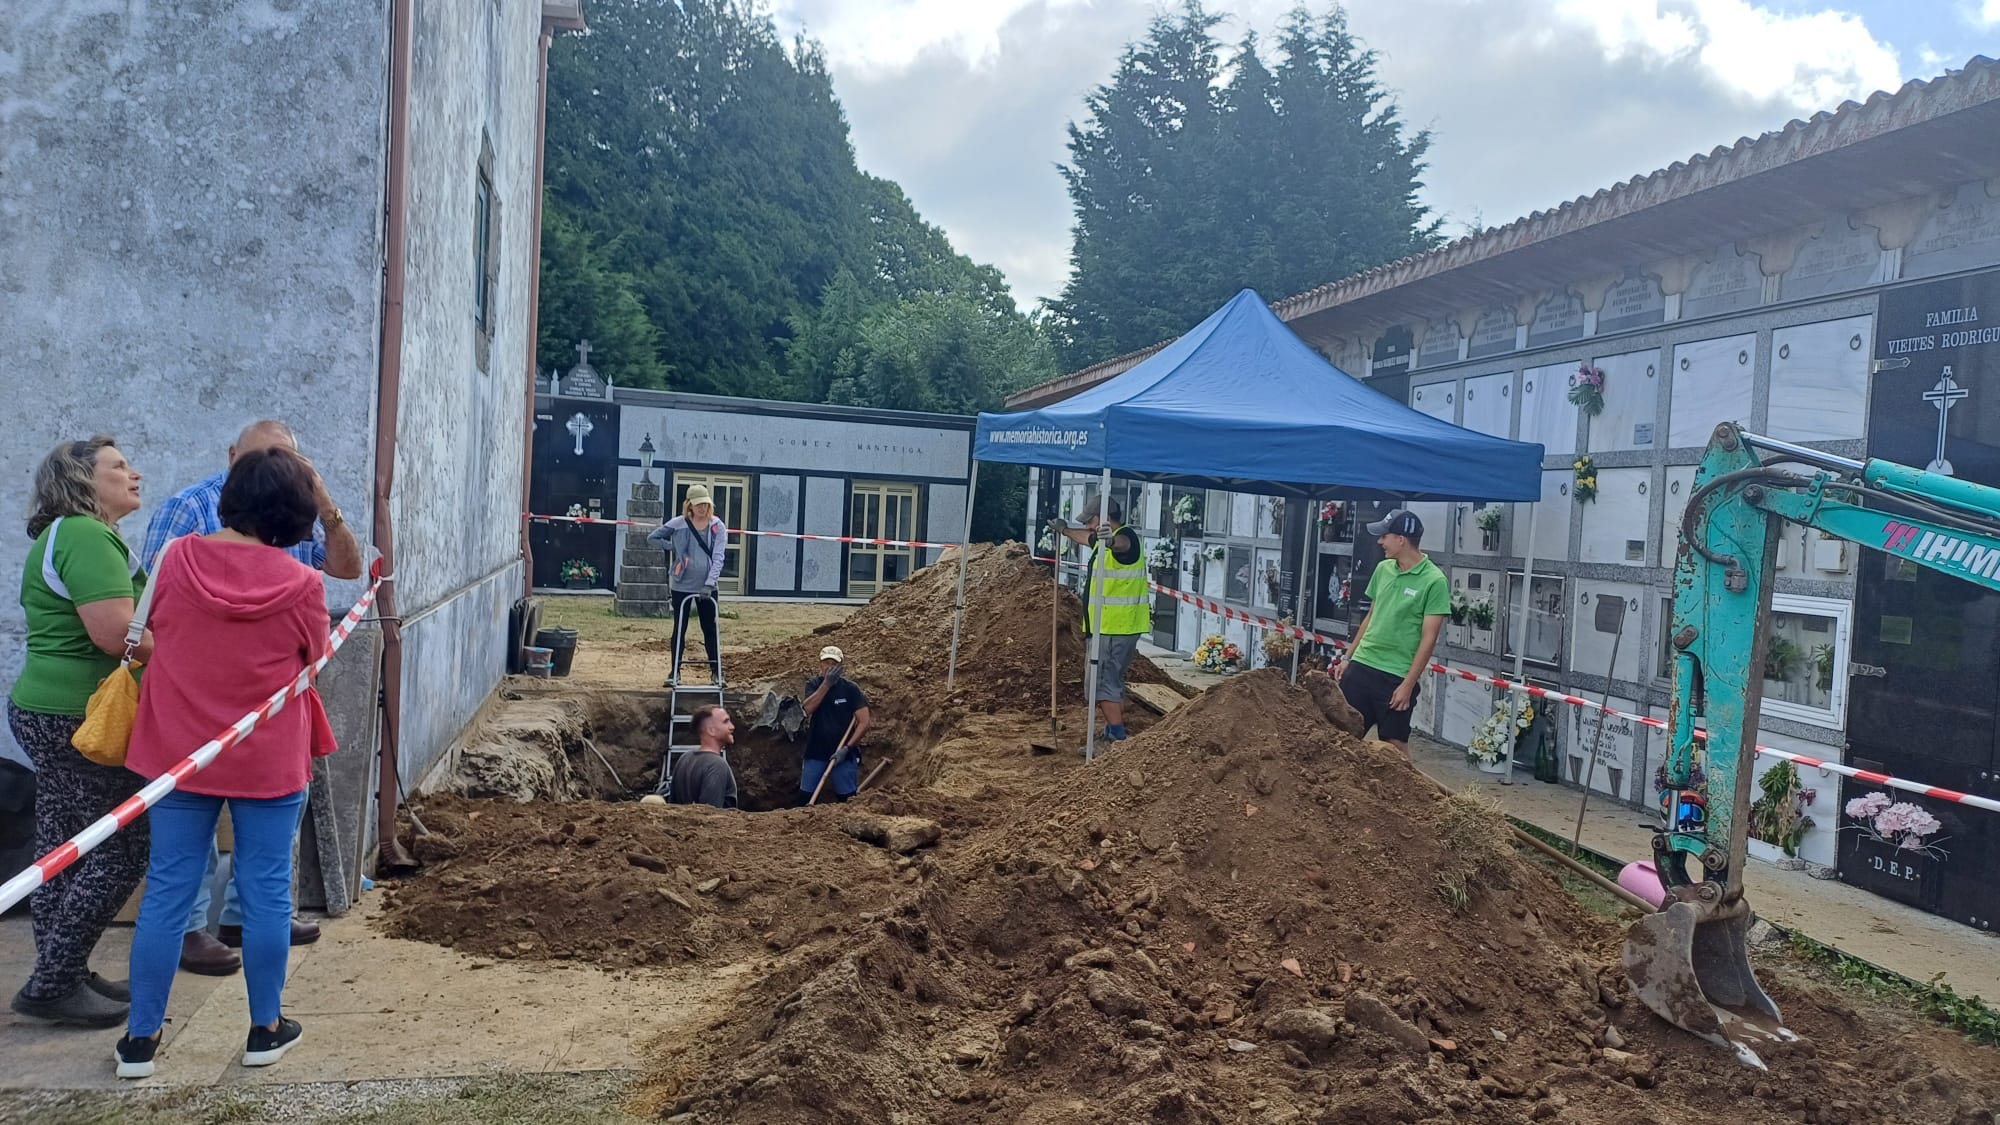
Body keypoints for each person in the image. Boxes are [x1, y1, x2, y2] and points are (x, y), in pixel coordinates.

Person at [116, 447, 336, 1079]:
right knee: (267, 892)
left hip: (181, 752)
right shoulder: (302, 583)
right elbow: (314, 658)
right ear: (296, 512)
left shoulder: (176, 558)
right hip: (266, 755)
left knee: (167, 890)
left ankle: (141, 1041)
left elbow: (154, 627)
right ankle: (265, 1030)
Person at [141, 420, 360, 977]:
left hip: (219, 733)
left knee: (192, 882)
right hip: (225, 730)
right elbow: (155, 606)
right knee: (205, 878)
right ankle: (251, 1007)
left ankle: (142, 1038)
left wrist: (326, 506)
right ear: (233, 456)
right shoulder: (188, 512)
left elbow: (347, 567)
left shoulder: (283, 524)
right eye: (265, 457)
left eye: (287, 459)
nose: (275, 469)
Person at [8, 437, 152, 1028]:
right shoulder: (87, 536)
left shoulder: (72, 536)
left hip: (53, 711)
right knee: (121, 851)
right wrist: (193, 662)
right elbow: (118, 636)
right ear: (83, 482)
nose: (134, 473)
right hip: (81, 721)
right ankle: (54, 982)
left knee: (60, 852)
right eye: (118, 467)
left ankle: (62, 968)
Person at [1336, 510, 1450, 758]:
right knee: (1339, 737)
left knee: (1395, 750)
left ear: (1401, 539)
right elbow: (1371, 617)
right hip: (1361, 666)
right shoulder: (1383, 569)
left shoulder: (1434, 581)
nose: (1380, 542)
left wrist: (1407, 685)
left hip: (1395, 677)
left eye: (1384, 536)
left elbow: (1429, 639)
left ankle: (1412, 797)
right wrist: (1348, 658)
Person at [1050, 496, 1148, 744]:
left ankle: (1116, 737)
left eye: (1090, 521)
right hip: (1107, 627)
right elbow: (1086, 538)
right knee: (1106, 680)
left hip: (1114, 628)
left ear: (1105, 518)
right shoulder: (1099, 541)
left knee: (1103, 681)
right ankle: (1112, 730)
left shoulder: (1126, 539)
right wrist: (1064, 531)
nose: (1087, 527)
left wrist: (1111, 540)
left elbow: (1122, 545)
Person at [647, 484, 727, 687]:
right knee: (679, 628)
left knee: (710, 629)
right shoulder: (679, 524)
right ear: (689, 505)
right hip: (682, 584)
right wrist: (672, 547)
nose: (702, 508)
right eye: (698, 504)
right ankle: (675, 672)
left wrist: (709, 584)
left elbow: (718, 557)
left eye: (705, 504)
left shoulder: (717, 526)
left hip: (707, 586)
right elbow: (653, 537)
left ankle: (717, 673)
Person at [799, 646, 870, 804]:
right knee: (805, 799)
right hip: (815, 752)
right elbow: (808, 709)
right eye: (826, 662)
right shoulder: (813, 684)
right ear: (820, 665)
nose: (829, 666)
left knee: (847, 800)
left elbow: (864, 722)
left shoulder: (850, 689)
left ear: (840, 667)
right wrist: (826, 685)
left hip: (842, 755)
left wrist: (847, 749)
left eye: (834, 663)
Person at [668, 705, 739, 810]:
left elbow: (672, 806)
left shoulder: (684, 759)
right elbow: (710, 815)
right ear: (711, 731)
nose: (732, 727)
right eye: (725, 722)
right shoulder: (717, 765)